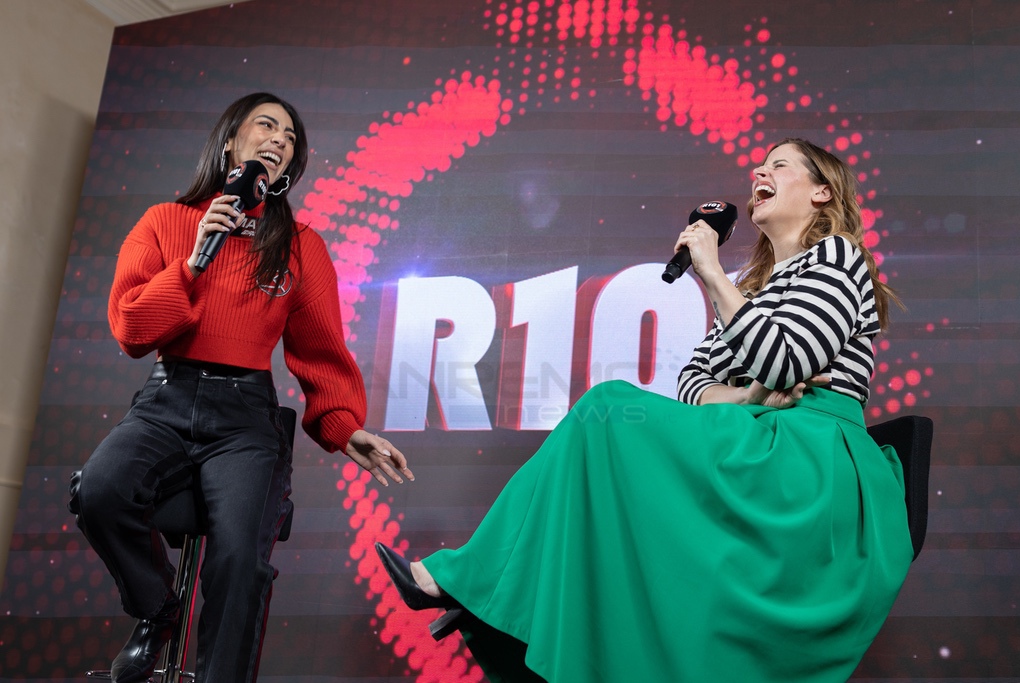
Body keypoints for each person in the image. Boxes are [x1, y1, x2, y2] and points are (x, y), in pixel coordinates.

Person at [376, 138, 912, 682]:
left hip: (806, 462)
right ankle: (499, 590)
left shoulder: (835, 257)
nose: (759, 172)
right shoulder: (750, 289)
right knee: (601, 430)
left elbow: (786, 359)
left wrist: (713, 276)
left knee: (607, 409)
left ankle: (474, 581)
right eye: (759, 165)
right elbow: (693, 383)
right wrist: (748, 395)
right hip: (748, 438)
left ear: (822, 192)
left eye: (779, 164)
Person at [70, 92, 413, 683]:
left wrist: (343, 426)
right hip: (167, 399)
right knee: (99, 491)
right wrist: (192, 263)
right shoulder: (164, 222)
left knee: (239, 563)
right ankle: (157, 610)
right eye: (267, 125)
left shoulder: (301, 245)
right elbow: (131, 329)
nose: (280, 140)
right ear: (231, 141)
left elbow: (320, 350)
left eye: (291, 137)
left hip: (246, 417)